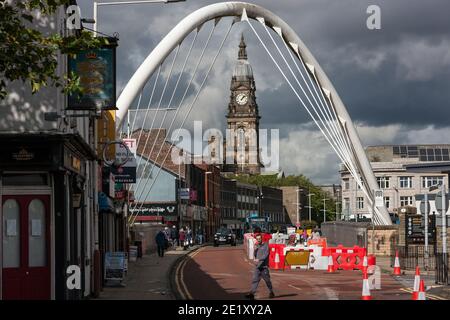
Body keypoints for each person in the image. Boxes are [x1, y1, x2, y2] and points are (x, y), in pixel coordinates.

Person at [245, 232, 275, 300]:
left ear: (262, 239)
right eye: (257, 239)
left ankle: (271, 292)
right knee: (255, 280)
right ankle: (252, 293)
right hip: (257, 267)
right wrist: (255, 250)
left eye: (259, 239)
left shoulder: (266, 245)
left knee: (267, 281)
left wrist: (259, 259)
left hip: (264, 267)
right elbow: (255, 255)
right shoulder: (257, 246)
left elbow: (266, 255)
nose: (258, 240)